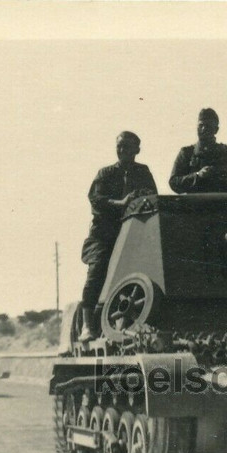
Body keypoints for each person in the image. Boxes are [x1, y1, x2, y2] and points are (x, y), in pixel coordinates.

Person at [79, 131, 158, 341]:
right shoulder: (105, 174)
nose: (122, 150)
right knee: (98, 269)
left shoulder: (143, 172)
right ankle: (87, 325)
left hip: (135, 233)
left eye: (127, 147)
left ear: (137, 150)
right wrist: (121, 203)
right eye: (119, 146)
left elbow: (154, 198)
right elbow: (96, 200)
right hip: (105, 234)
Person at [168, 108, 227, 194]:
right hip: (194, 202)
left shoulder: (226, 152)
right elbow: (174, 182)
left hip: (220, 201)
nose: (203, 129)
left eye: (208, 126)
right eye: (201, 125)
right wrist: (198, 175)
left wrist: (225, 177)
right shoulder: (187, 153)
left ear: (216, 130)